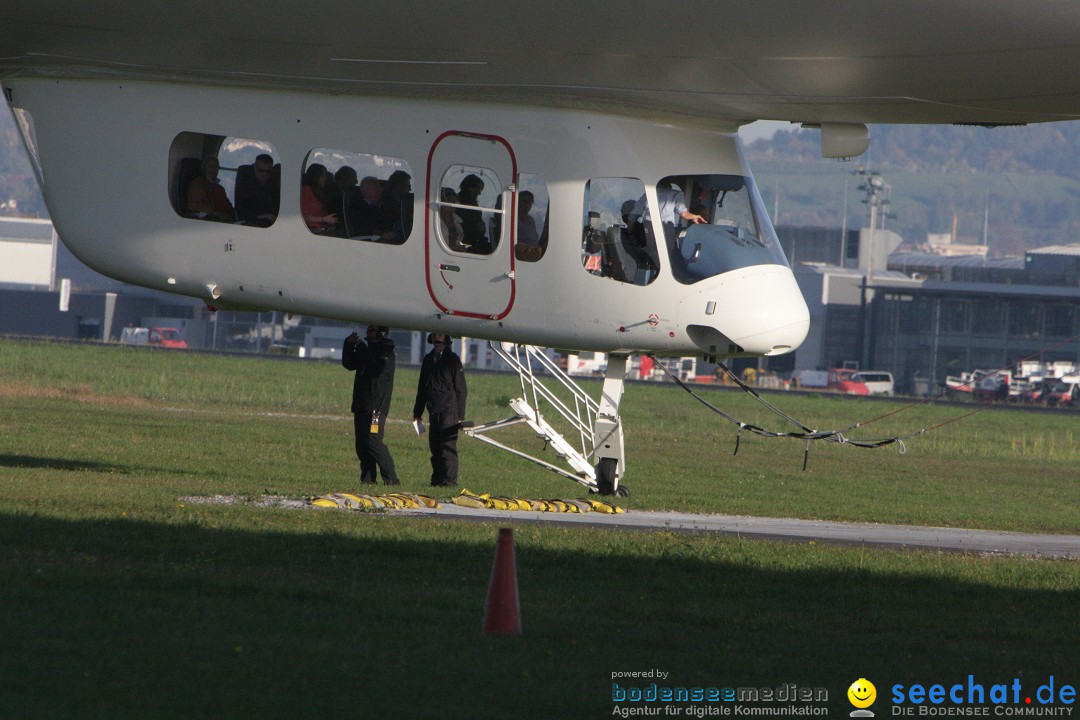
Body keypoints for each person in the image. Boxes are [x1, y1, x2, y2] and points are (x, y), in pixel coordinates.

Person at [342, 326, 399, 485]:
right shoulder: (367, 351)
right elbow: (348, 363)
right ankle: (368, 480)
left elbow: (375, 369)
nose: (367, 332)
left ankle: (391, 480)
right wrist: (349, 344)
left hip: (376, 408)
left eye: (371, 330)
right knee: (361, 444)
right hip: (361, 405)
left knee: (373, 442)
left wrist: (360, 347)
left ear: (381, 333)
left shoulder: (386, 354)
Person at [412, 333, 467, 488]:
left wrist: (460, 415)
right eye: (435, 339)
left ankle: (450, 481)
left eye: (440, 339)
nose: (437, 342)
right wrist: (418, 412)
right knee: (435, 447)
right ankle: (437, 479)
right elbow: (422, 388)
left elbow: (461, 390)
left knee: (447, 448)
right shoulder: (428, 360)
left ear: (447, 342)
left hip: (449, 410)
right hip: (433, 409)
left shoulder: (453, 361)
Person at [347, 176, 398, 241]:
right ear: (365, 190)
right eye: (377, 187)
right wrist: (382, 234)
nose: (380, 190)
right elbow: (361, 227)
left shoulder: (385, 205)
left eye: (380, 187)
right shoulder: (356, 207)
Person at [235, 153, 280, 227]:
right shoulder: (245, 184)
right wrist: (259, 216)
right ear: (255, 168)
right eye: (261, 170)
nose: (264, 174)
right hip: (250, 223)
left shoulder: (272, 185)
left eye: (268, 171)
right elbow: (240, 209)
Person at [186, 155, 235, 222]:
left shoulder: (220, 188)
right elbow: (194, 205)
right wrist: (215, 213)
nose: (213, 169)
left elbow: (228, 207)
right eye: (210, 166)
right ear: (204, 168)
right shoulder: (197, 184)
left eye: (216, 167)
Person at [457, 174, 490, 253]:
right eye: (478, 189)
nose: (479, 193)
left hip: (475, 240)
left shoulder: (473, 204)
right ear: (469, 187)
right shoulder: (458, 204)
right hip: (465, 242)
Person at [300, 163, 338, 232]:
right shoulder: (306, 190)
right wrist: (324, 219)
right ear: (315, 176)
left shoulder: (320, 192)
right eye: (322, 176)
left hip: (323, 229)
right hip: (311, 230)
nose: (325, 178)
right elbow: (303, 216)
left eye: (325, 176)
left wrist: (330, 223)